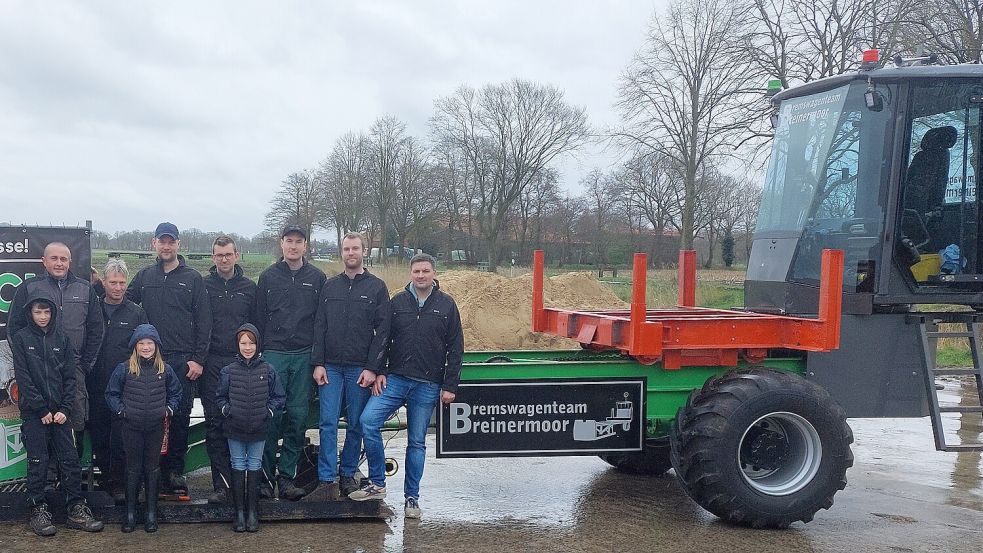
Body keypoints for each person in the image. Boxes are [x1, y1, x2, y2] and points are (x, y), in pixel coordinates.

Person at [350, 254, 464, 520]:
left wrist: (450, 386)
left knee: (416, 442)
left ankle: (412, 498)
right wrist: (378, 371)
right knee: (368, 420)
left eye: (425, 271)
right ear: (410, 273)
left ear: (434, 273)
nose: (421, 275)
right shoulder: (397, 302)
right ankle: (377, 483)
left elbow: (455, 348)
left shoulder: (446, 305)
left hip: (427, 384)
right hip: (396, 380)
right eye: (416, 271)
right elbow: (383, 339)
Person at [126, 222, 211, 495]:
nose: (166, 246)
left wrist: (198, 359)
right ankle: (150, 471)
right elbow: (124, 301)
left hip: (183, 360)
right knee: (149, 417)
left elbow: (204, 321)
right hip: (150, 360)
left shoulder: (193, 278)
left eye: (170, 241)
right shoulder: (144, 277)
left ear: (178, 244)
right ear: (154, 244)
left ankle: (174, 470)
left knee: (180, 416)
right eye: (162, 241)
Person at [10, 292, 105, 536]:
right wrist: (41, 409)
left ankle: (75, 508)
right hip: (35, 414)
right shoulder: (21, 339)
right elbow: (24, 377)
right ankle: (38, 509)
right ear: (30, 313)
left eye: (47, 312)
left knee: (70, 461)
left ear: (53, 313)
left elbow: (70, 378)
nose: (42, 316)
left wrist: (64, 409)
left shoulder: (62, 339)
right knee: (38, 462)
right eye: (37, 312)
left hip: (63, 414)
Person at [310, 232, 390, 499]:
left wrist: (373, 367)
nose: (351, 253)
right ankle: (326, 479)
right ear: (341, 252)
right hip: (330, 366)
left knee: (355, 423)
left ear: (364, 251)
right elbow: (319, 326)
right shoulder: (330, 286)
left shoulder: (377, 288)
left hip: (360, 369)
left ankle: (347, 475)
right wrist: (318, 363)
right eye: (346, 249)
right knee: (327, 423)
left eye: (355, 248)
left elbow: (383, 332)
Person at [253, 224, 326, 500]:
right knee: (270, 418)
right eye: (288, 241)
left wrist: (318, 359)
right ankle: (265, 478)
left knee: (297, 418)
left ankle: (287, 478)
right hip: (274, 355)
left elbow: (321, 323)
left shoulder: (317, 278)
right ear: (281, 244)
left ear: (305, 246)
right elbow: (259, 318)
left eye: (298, 242)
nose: (293, 246)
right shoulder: (268, 277)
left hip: (304, 356)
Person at [8, 242, 104, 449]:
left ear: (70, 262)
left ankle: (70, 476)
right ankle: (48, 479)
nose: (59, 263)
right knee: (42, 427)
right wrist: (28, 362)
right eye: (54, 258)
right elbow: (14, 329)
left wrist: (85, 365)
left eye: (63, 259)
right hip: (38, 373)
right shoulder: (29, 288)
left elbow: (97, 330)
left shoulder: (85, 289)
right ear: (44, 261)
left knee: (73, 424)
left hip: (74, 372)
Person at [105, 324, 182, 533]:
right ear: (135, 346)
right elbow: (111, 393)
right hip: (131, 427)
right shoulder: (124, 368)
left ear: (156, 346)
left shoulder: (165, 369)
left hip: (156, 427)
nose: (146, 347)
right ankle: (130, 513)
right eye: (142, 343)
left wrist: (169, 410)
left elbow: (176, 393)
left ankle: (151, 512)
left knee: (152, 468)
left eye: (150, 343)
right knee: (132, 468)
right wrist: (121, 411)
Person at [215, 324, 286, 532]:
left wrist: (268, 412)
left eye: (251, 343)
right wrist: (227, 410)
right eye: (243, 343)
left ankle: (253, 513)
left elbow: (279, 397)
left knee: (254, 465)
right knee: (237, 464)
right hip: (234, 427)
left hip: (258, 427)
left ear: (258, 344)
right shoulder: (228, 371)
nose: (248, 347)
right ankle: (238, 513)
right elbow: (219, 397)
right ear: (237, 345)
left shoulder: (268, 370)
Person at [202, 235, 256, 504]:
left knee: (242, 422)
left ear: (237, 255)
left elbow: (257, 326)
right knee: (214, 423)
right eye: (219, 255)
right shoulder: (203, 286)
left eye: (228, 254)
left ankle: (247, 482)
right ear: (213, 258)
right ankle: (221, 486)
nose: (224, 259)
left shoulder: (249, 288)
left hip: (241, 364)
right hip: (212, 362)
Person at [88, 258, 147, 502]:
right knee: (99, 434)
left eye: (122, 282)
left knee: (122, 436)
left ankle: (122, 482)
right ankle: (106, 477)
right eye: (113, 282)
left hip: (124, 386)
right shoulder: (92, 308)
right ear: (104, 282)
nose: (118, 287)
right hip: (94, 383)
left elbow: (145, 348)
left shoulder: (136, 312)